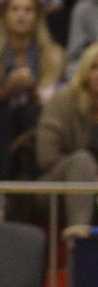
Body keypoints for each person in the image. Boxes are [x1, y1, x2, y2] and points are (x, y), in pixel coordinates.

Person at [0, 0, 64, 181]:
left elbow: (52, 103)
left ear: (37, 17)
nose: (21, 15)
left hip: (38, 124)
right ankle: (2, 189)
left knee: (32, 111)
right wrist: (7, 90)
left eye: (28, 10)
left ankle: (27, 187)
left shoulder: (54, 55)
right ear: (4, 15)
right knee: (2, 115)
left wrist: (32, 89)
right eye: (15, 9)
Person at [36, 42, 98, 232]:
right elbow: (46, 157)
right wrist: (91, 175)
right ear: (85, 72)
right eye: (95, 67)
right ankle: (78, 239)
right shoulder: (65, 100)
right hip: (56, 185)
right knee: (82, 162)